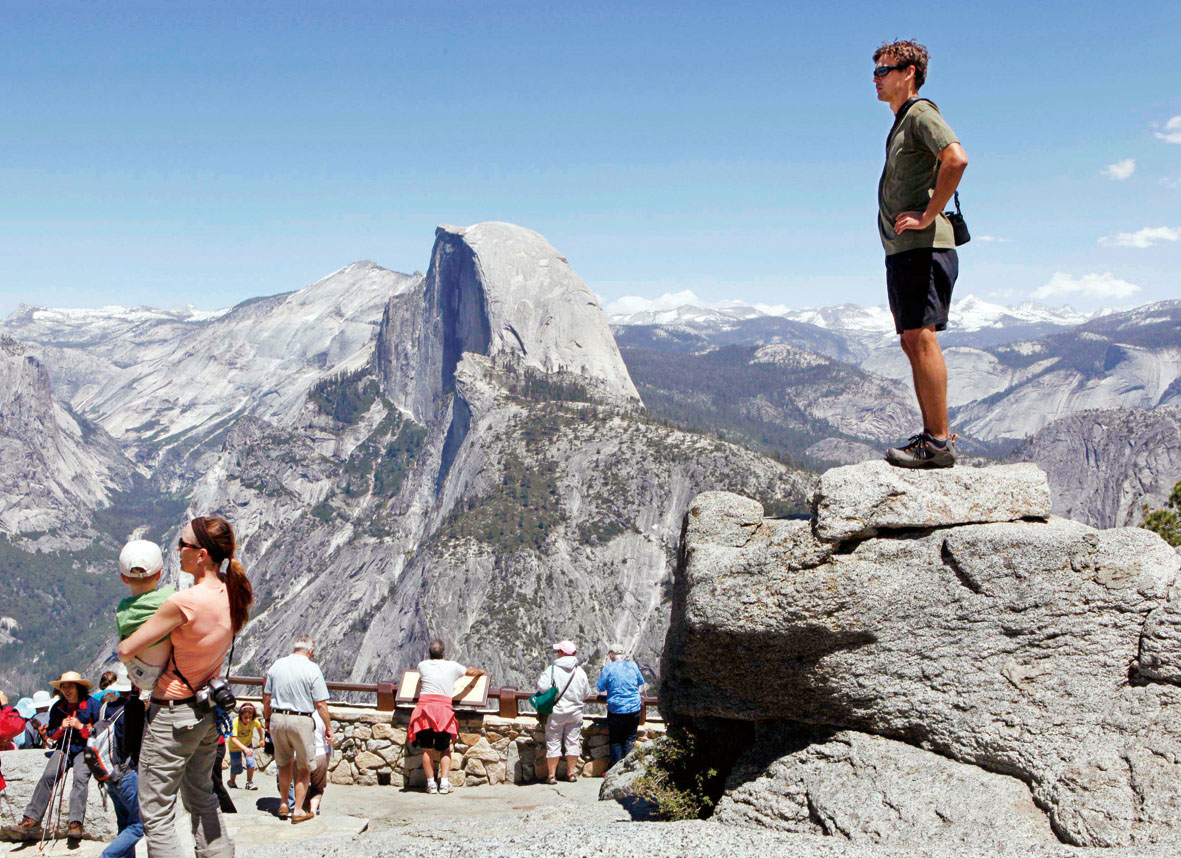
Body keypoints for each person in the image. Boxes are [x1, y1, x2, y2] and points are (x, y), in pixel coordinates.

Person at [117, 514, 252, 858]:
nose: (177, 550)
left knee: (157, 812)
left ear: (201, 554)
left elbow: (126, 649)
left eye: (183, 544)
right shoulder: (230, 591)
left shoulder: (185, 602)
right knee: (202, 795)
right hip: (207, 713)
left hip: (172, 715)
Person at [873, 39, 968, 469]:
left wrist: (928, 215)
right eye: (875, 71)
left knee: (921, 337)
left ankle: (938, 442)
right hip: (906, 251)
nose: (876, 78)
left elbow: (956, 158)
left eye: (884, 70)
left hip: (923, 249)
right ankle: (934, 437)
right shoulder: (902, 122)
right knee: (912, 339)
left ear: (908, 72)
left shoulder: (920, 113)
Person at [8, 671, 99, 843]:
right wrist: (61, 729)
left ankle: (75, 823)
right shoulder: (58, 708)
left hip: (84, 749)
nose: (66, 690)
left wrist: (81, 727)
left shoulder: (92, 705)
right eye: (63, 687)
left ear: (78, 687)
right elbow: (51, 735)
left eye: (69, 686)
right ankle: (30, 818)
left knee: (80, 778)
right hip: (64, 747)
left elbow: (99, 732)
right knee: (49, 775)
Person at [262, 635, 332, 824]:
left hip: (277, 718)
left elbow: (267, 698)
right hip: (301, 720)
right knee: (304, 768)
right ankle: (298, 810)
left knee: (284, 765)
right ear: (310, 652)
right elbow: (321, 704)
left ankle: (284, 803)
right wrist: (328, 727)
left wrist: (268, 720)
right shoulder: (312, 668)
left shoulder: (277, 665)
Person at [407, 639, 484, 795]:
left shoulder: (422, 666)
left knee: (427, 749)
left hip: (424, 711)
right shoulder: (453, 666)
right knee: (445, 749)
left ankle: (430, 784)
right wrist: (479, 672)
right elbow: (469, 671)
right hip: (443, 711)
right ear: (443, 652)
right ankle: (444, 782)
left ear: (429, 653)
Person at [96, 667, 146, 858]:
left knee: (124, 824)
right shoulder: (132, 709)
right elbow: (136, 744)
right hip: (127, 773)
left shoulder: (105, 708)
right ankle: (107, 856)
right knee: (138, 825)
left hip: (108, 773)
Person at [115, 539, 177, 689]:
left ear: (123, 578)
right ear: (159, 574)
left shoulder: (123, 611)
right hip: (172, 671)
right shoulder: (171, 598)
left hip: (144, 677)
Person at [535, 640, 590, 784]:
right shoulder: (581, 672)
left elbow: (542, 688)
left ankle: (552, 776)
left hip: (556, 712)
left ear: (562, 653)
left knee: (553, 742)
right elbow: (586, 694)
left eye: (558, 651)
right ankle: (571, 774)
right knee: (573, 742)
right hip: (575, 713)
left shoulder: (552, 670)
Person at [597, 644, 646, 769]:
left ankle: (615, 770)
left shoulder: (608, 668)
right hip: (633, 709)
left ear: (611, 655)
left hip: (616, 710)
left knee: (616, 741)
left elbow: (600, 687)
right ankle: (630, 770)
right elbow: (641, 681)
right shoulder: (632, 666)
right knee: (630, 739)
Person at [227, 703, 263, 790]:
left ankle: (249, 783)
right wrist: (245, 749)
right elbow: (233, 739)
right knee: (236, 767)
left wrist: (262, 739)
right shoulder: (235, 722)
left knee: (251, 763)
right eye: (245, 717)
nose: (248, 720)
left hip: (247, 744)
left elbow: (259, 728)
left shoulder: (254, 721)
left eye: (250, 717)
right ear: (241, 716)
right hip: (234, 746)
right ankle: (232, 782)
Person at [304, 710, 330, 816]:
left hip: (301, 754)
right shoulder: (322, 716)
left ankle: (299, 809)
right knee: (317, 787)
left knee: (300, 783)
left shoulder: (299, 713)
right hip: (320, 753)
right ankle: (313, 811)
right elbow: (328, 736)